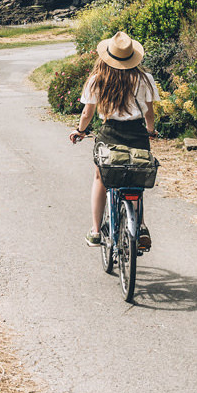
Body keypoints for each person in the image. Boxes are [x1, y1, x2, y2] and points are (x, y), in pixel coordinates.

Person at [69, 31, 159, 248]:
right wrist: (150, 131)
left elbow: (87, 114)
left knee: (101, 179)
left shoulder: (97, 80)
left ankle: (96, 231)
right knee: (135, 180)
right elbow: (149, 113)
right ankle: (140, 226)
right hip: (137, 134)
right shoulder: (144, 78)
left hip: (110, 133)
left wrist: (80, 131)